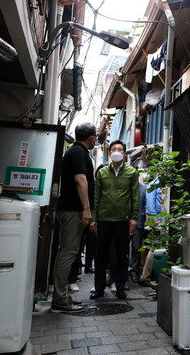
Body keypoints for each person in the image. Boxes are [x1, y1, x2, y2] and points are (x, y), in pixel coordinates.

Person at [51, 122, 96, 313]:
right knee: (67, 253)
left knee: (67, 252)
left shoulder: (75, 151)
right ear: (92, 137)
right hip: (72, 211)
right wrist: (86, 208)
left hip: (69, 209)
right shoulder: (78, 153)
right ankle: (59, 298)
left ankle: (60, 296)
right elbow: (80, 179)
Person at [90, 140, 140, 299]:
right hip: (103, 218)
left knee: (122, 254)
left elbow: (135, 197)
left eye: (120, 149)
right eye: (114, 149)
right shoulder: (102, 173)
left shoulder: (132, 172)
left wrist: (133, 218)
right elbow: (96, 196)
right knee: (101, 255)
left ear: (124, 154)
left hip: (122, 220)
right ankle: (99, 288)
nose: (117, 151)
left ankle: (120, 287)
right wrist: (93, 218)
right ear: (110, 153)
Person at [139, 173, 163, 286]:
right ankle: (145, 276)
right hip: (158, 221)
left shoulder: (168, 184)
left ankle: (148, 275)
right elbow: (150, 207)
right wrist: (156, 222)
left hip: (166, 220)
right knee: (155, 249)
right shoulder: (152, 186)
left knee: (157, 249)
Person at [128, 169, 148, 282]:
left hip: (139, 222)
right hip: (125, 222)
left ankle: (134, 271)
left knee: (136, 247)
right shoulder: (126, 189)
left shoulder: (144, 189)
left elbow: (146, 205)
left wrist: (146, 220)